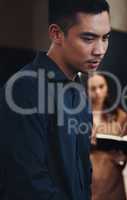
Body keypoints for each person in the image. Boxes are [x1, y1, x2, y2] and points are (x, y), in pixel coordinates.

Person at [0, 0, 111, 200]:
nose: (100, 50)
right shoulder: (24, 89)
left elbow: (82, 175)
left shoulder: (78, 90)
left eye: (105, 38)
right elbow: (26, 184)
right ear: (56, 34)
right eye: (89, 38)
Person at [87, 73, 127, 200]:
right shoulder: (77, 117)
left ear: (107, 88)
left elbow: (126, 150)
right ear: (86, 91)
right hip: (86, 177)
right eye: (93, 88)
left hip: (112, 178)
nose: (98, 92)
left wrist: (122, 157)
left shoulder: (120, 116)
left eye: (101, 87)